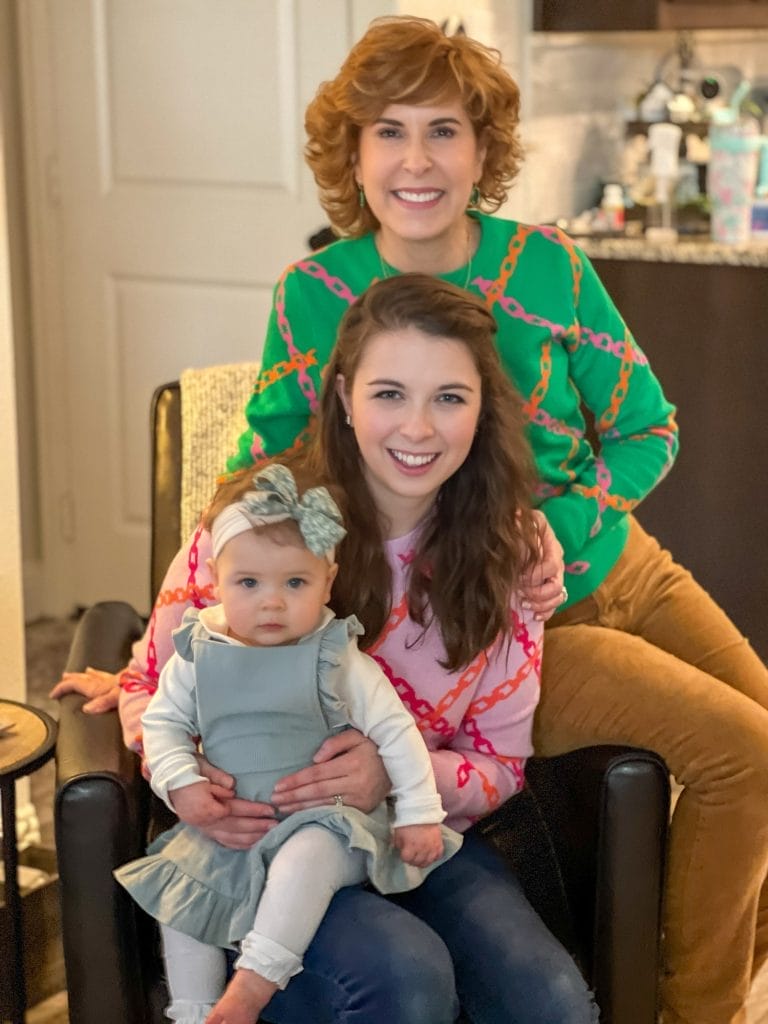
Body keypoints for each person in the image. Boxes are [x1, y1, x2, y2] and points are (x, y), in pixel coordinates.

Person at [52, 16, 768, 1024]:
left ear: (485, 151)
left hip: (608, 557)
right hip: (511, 604)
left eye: (446, 131)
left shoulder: (551, 268)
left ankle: (710, 974)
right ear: (354, 152)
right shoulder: (314, 297)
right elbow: (259, 476)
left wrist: (562, 528)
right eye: (391, 132)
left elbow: (649, 426)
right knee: (744, 752)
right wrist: (151, 660)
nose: (419, 159)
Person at [116, 462, 463, 1024]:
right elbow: (162, 725)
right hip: (233, 823)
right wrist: (180, 784)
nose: (271, 603)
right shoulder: (199, 651)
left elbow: (396, 734)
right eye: (248, 583)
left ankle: (252, 985)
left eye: (295, 583)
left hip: (327, 822)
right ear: (217, 579)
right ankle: (195, 1011)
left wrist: (420, 814)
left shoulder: (335, 655)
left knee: (307, 859)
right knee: (180, 897)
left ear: (328, 579)